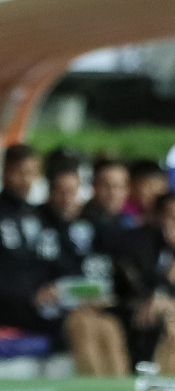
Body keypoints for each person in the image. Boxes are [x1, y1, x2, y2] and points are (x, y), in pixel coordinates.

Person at [0, 145, 126, 375]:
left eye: (31, 173)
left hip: (58, 304)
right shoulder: (36, 217)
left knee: (109, 326)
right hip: (29, 308)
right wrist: (35, 294)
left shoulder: (40, 217)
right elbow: (25, 269)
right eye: (21, 172)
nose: (26, 180)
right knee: (82, 324)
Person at [38, 152, 130, 376]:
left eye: (72, 192)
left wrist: (95, 296)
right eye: (61, 191)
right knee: (83, 324)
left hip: (83, 306)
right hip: (51, 312)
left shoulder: (87, 225)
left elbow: (94, 275)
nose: (67, 198)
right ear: (50, 192)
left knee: (110, 327)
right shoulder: (38, 222)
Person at [111, 194, 175, 375]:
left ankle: (170, 383)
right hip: (128, 308)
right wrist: (158, 299)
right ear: (159, 216)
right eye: (173, 218)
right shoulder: (138, 241)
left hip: (161, 308)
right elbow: (136, 285)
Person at [122, 159, 168, 227]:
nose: (155, 194)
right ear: (132, 186)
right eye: (149, 187)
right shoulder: (122, 212)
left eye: (161, 189)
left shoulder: (166, 215)